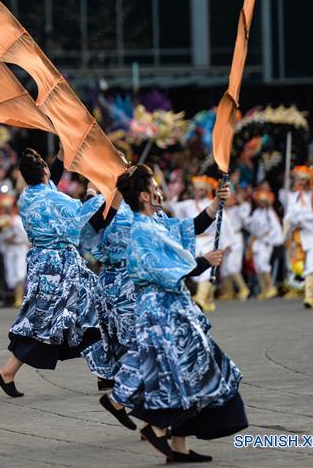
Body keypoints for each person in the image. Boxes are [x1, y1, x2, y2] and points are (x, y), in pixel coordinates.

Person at [101, 165, 246, 462]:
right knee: (184, 371)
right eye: (154, 186)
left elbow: (189, 227)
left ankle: (177, 447)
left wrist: (216, 204)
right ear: (144, 195)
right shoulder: (142, 231)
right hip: (160, 313)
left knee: (185, 372)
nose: (160, 190)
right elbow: (167, 270)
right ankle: (153, 427)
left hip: (173, 308)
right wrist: (204, 261)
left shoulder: (156, 222)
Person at [0, 148, 111, 397]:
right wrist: (98, 190)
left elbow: (51, 181)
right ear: (44, 171)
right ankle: (7, 372)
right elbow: (83, 215)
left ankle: (104, 374)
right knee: (65, 316)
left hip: (44, 263)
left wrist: (60, 156)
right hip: (59, 265)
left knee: (74, 314)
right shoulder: (56, 199)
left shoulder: (27, 196)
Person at [81, 201, 135, 396]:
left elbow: (85, 234)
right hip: (128, 278)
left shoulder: (94, 203)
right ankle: (124, 379)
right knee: (123, 330)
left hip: (110, 278)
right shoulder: (136, 206)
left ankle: (110, 376)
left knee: (112, 330)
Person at [170, 176, 231, 313]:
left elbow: (224, 224)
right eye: (196, 189)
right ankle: (206, 299)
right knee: (195, 269)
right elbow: (173, 207)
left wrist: (224, 244)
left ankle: (201, 298)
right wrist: (174, 195)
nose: (198, 192)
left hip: (209, 241)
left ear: (207, 190)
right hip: (195, 241)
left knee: (207, 271)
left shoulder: (212, 203)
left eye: (201, 190)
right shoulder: (188, 204)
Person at [282, 166, 313, 309]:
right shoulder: (294, 197)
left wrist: (302, 220)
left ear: (310, 181)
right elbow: (289, 217)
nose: (300, 182)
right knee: (306, 265)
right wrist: (285, 234)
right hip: (300, 236)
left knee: (312, 265)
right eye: (298, 180)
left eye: (303, 180)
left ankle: (309, 297)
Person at [0, 196, 29, 308]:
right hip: (9, 249)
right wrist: (5, 238)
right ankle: (14, 298)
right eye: (4, 207)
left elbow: (25, 235)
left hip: (19, 248)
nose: (6, 209)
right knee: (11, 275)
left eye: (8, 207)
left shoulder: (18, 219)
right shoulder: (1, 220)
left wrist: (17, 238)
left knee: (20, 272)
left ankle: (19, 299)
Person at [246, 189, 282, 299]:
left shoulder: (270, 213)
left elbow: (275, 228)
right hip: (257, 241)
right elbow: (250, 226)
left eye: (263, 201)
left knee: (263, 264)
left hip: (266, 241)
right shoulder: (256, 212)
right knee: (258, 266)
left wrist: (269, 238)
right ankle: (264, 290)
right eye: (260, 201)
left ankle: (271, 287)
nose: (261, 203)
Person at [220, 186, 251, 301]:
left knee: (233, 267)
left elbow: (245, 213)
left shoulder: (238, 209)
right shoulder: (222, 212)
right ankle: (228, 292)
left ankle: (244, 289)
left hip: (236, 239)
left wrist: (241, 199)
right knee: (224, 269)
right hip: (225, 240)